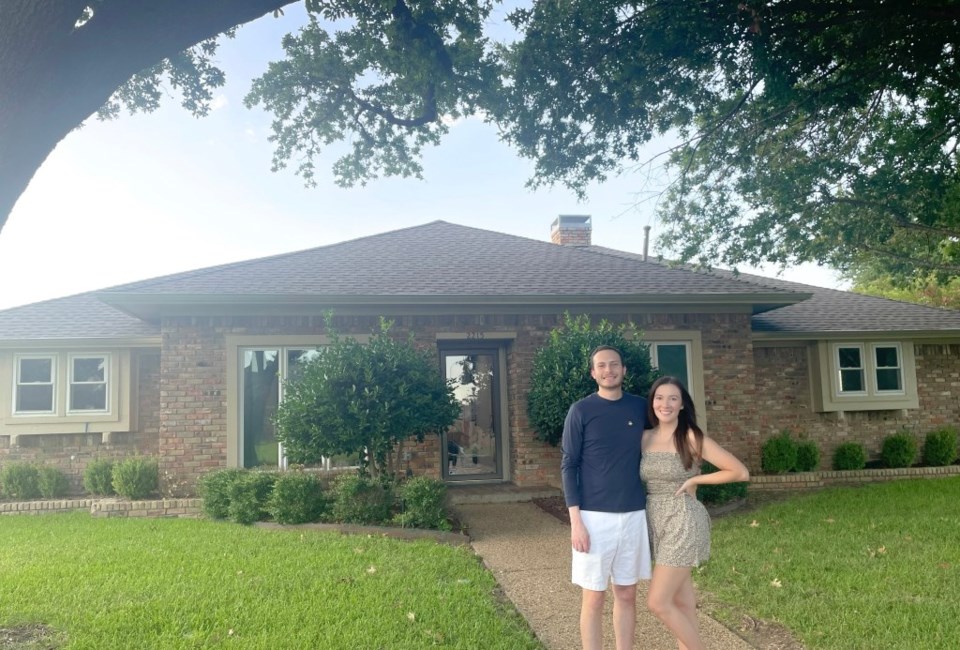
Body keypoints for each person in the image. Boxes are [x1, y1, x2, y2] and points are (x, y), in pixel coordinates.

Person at [640, 376, 750, 650]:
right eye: (659, 398)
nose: (665, 404)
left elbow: (739, 471)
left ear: (681, 405)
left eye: (673, 398)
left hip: (684, 519)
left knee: (658, 601)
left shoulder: (690, 437)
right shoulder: (644, 438)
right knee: (683, 601)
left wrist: (696, 480)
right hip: (655, 518)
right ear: (652, 403)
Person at [560, 345, 652, 650]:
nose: (608, 370)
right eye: (601, 366)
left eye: (614, 365)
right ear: (593, 373)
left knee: (626, 593)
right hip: (593, 518)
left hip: (633, 513)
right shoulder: (581, 410)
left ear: (624, 370)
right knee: (594, 596)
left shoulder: (641, 408)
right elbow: (568, 465)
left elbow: (667, 441)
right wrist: (576, 522)